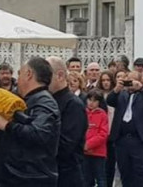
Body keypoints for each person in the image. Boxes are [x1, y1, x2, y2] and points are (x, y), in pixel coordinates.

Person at [0, 56, 60, 187]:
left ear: (29, 74)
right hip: (18, 176)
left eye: (20, 73)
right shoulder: (31, 99)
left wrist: (7, 125)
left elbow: (38, 134)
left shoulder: (45, 102)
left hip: (31, 179)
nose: (18, 79)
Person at [107, 70, 143, 187]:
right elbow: (109, 101)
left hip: (140, 139)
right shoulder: (122, 94)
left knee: (141, 171)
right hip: (122, 139)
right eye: (128, 80)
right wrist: (116, 89)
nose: (131, 84)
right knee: (125, 171)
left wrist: (141, 88)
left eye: (133, 81)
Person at [47, 56, 87, 187]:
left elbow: (67, 145)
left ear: (59, 75)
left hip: (66, 175)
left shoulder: (73, 104)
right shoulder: (48, 100)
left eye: (47, 76)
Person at [84, 90, 109, 187]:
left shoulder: (102, 114)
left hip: (98, 152)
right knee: (86, 178)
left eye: (94, 101)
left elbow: (103, 134)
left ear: (99, 102)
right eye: (89, 100)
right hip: (84, 152)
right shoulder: (83, 112)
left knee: (100, 178)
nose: (91, 103)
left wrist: (89, 144)